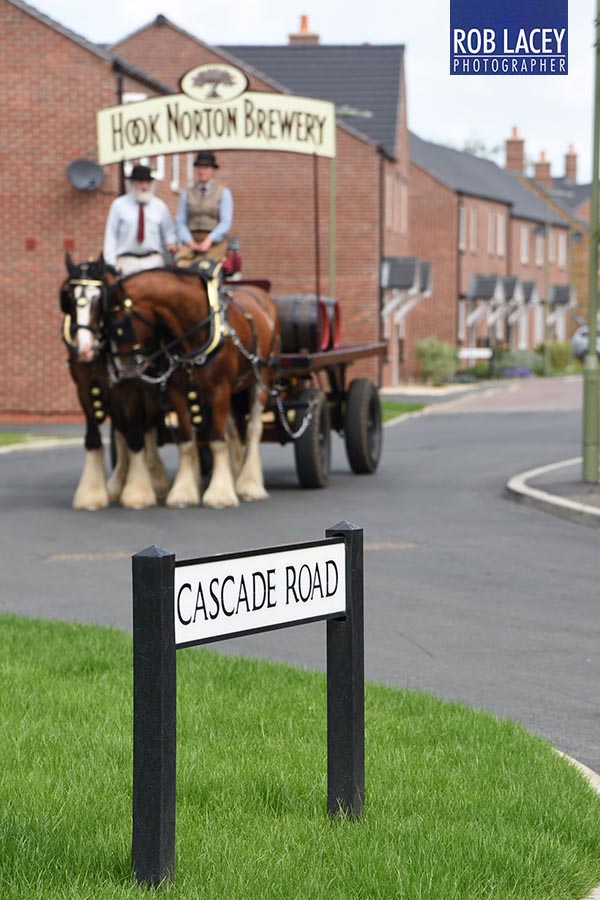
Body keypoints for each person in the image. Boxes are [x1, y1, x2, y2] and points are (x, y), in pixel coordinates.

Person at [103, 164, 177, 276]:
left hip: (153, 261)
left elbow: (168, 230)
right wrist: (111, 262)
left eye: (147, 183)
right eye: (140, 183)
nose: (144, 187)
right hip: (128, 261)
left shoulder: (159, 206)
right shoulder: (119, 205)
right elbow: (111, 235)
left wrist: (171, 242)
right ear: (132, 184)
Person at [175, 151, 233, 267]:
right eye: (199, 167)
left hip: (214, 243)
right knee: (180, 266)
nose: (202, 171)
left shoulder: (223, 193)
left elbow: (225, 222)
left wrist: (209, 240)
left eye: (206, 168)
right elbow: (181, 222)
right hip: (192, 240)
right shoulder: (187, 193)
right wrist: (190, 242)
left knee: (206, 268)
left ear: (212, 170)